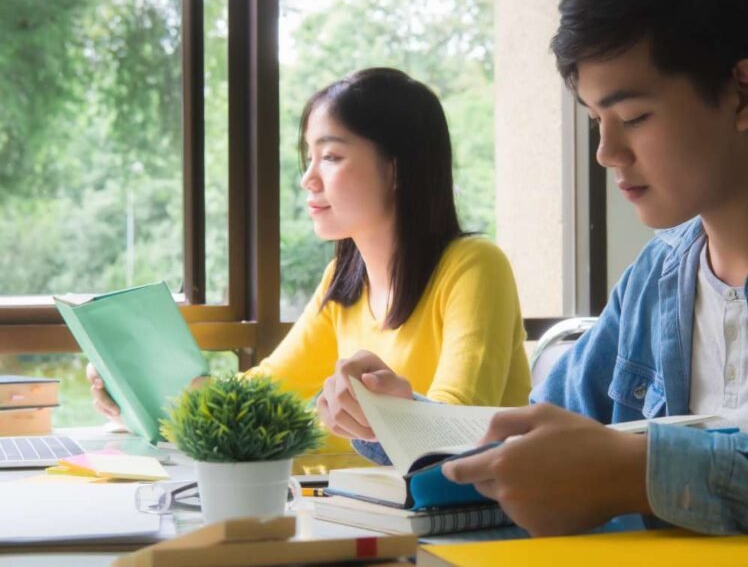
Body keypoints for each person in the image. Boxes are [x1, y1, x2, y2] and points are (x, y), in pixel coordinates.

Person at [439, 0, 748, 538]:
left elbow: (612, 469)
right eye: (595, 120)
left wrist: (640, 475)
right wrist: (399, 417)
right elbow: (533, 434)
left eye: (633, 117)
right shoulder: (657, 276)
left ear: (745, 96)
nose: (605, 152)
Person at [87, 67, 531, 459]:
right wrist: (150, 401)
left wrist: (391, 416)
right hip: (374, 510)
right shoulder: (345, 281)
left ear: (397, 169)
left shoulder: (474, 266)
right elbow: (265, 388)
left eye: (332, 156)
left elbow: (460, 425)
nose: (308, 178)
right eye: (310, 156)